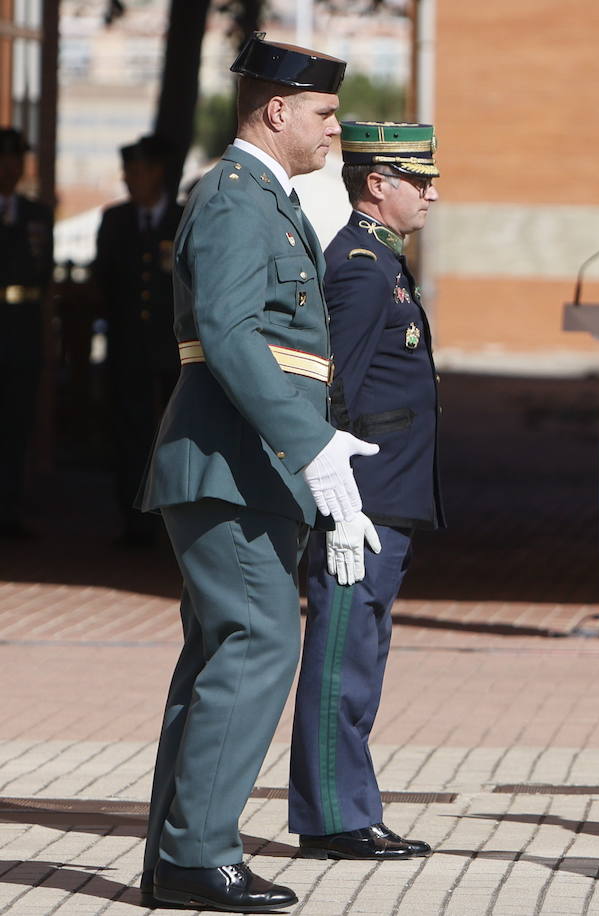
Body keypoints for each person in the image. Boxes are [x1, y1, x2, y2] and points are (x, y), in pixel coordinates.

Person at [136, 35, 383, 913]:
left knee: (221, 654)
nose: (335, 130)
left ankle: (179, 856)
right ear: (277, 111)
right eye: (323, 114)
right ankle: (199, 853)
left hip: (246, 464)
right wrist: (310, 445)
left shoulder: (260, 197)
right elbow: (232, 335)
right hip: (233, 462)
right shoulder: (240, 198)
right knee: (258, 644)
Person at [289, 121, 444, 860]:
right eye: (420, 180)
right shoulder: (357, 264)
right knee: (340, 660)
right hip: (363, 498)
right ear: (377, 184)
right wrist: (338, 498)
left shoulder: (383, 261)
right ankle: (331, 819)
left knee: (364, 657)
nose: (433, 193)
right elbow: (332, 385)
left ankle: (351, 807)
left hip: (388, 496)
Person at [91, 134, 184, 546]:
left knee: (173, 433)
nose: (130, 179)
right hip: (128, 349)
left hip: (174, 351)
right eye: (127, 172)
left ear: (157, 172)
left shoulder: (182, 219)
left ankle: (171, 518)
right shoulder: (115, 221)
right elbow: (104, 286)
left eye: (137, 171)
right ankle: (133, 521)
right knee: (129, 433)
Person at [0, 127, 53, 539]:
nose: (10, 168)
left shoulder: (36, 214)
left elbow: (43, 278)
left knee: (17, 421)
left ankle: (10, 506)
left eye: (16, 160)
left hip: (22, 329)